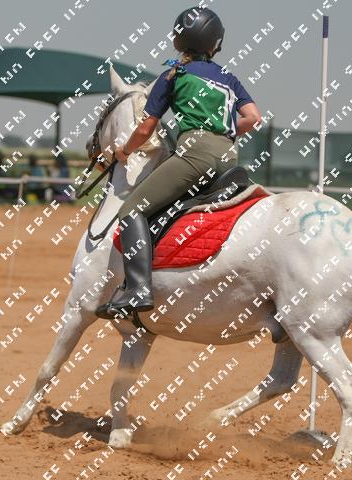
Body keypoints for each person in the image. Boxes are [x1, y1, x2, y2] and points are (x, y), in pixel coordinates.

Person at [97, 6, 262, 318]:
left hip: (195, 155)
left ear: (178, 39)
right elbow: (253, 117)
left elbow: (145, 128)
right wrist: (225, 130)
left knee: (131, 210)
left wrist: (124, 152)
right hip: (229, 156)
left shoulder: (174, 75)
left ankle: (138, 290)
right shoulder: (228, 77)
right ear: (216, 43)